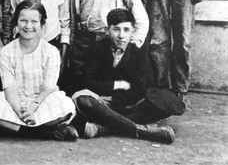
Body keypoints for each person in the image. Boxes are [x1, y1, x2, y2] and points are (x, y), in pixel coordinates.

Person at [0, 0, 78, 141]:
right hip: (15, 101)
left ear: (43, 25)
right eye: (23, 20)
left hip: (42, 100)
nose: (28, 26)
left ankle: (12, 129)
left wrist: (32, 108)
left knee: (65, 106)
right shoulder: (7, 51)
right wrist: (20, 112)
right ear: (16, 24)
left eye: (34, 21)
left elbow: (48, 88)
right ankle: (42, 133)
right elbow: (9, 88)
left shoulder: (51, 51)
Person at [71, 8, 175, 144]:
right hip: (101, 103)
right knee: (83, 100)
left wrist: (115, 97)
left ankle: (104, 127)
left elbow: (139, 88)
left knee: (165, 101)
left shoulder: (139, 54)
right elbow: (87, 82)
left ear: (132, 32)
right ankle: (140, 130)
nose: (121, 36)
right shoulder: (96, 49)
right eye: (116, 29)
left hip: (128, 104)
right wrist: (117, 85)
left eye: (126, 30)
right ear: (108, 30)